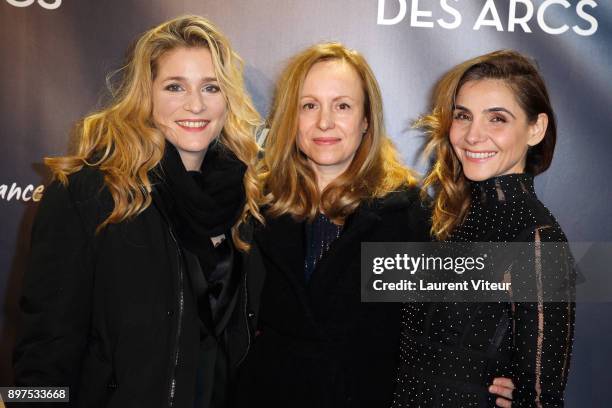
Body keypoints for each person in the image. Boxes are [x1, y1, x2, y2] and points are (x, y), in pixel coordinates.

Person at [226, 42, 512, 408]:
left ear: (365, 121)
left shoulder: (406, 217)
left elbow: (455, 316)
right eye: (309, 105)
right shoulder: (255, 204)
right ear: (290, 118)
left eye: (342, 106)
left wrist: (500, 374)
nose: (324, 122)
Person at [13, 15, 262, 408]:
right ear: (146, 95)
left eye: (210, 87)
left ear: (227, 97)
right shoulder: (87, 196)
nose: (195, 104)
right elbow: (43, 350)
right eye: (175, 86)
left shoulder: (250, 199)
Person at [392, 50, 575, 407]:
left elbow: (541, 398)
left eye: (497, 119)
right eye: (463, 116)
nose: (473, 135)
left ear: (535, 129)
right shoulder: (447, 219)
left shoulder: (537, 239)